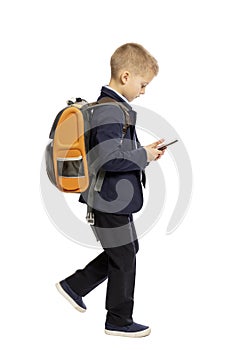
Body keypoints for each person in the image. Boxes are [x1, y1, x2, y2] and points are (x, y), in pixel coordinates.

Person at [56, 43, 165, 338]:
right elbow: (108, 158)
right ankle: (118, 319)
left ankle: (75, 286)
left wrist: (144, 152)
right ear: (126, 76)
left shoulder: (111, 107)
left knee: (125, 252)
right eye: (143, 85)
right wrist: (144, 156)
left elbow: (115, 151)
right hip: (108, 201)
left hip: (114, 199)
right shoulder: (111, 111)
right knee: (124, 255)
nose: (143, 91)